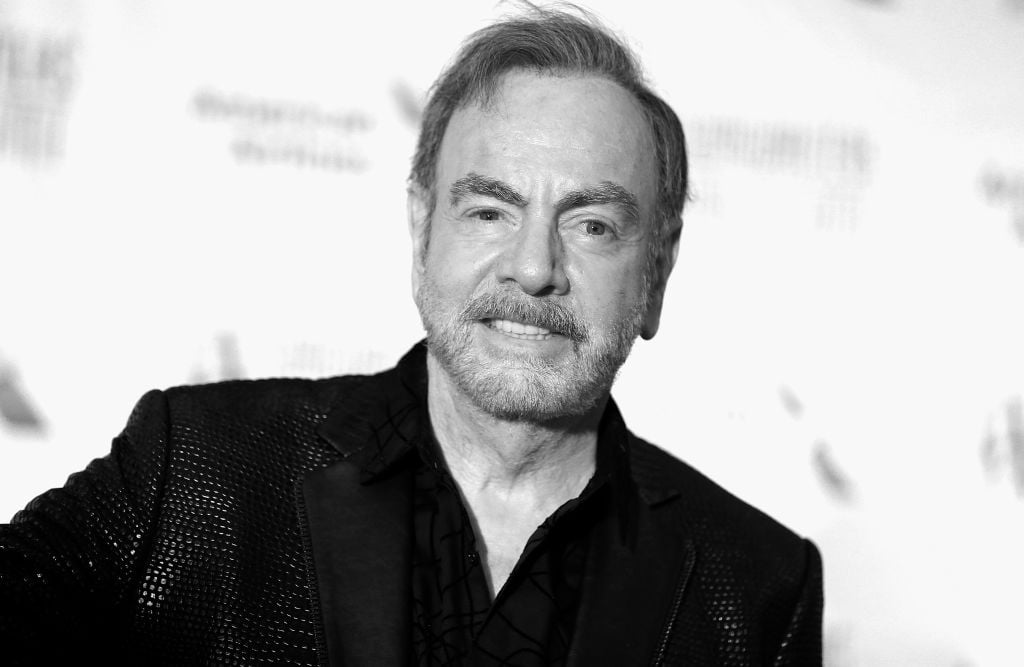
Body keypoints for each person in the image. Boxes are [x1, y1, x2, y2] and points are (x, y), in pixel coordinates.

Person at [0, 6, 823, 666]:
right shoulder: (191, 468)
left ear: (657, 273)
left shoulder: (757, 589)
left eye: (593, 224)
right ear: (423, 228)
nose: (534, 268)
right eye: (490, 211)